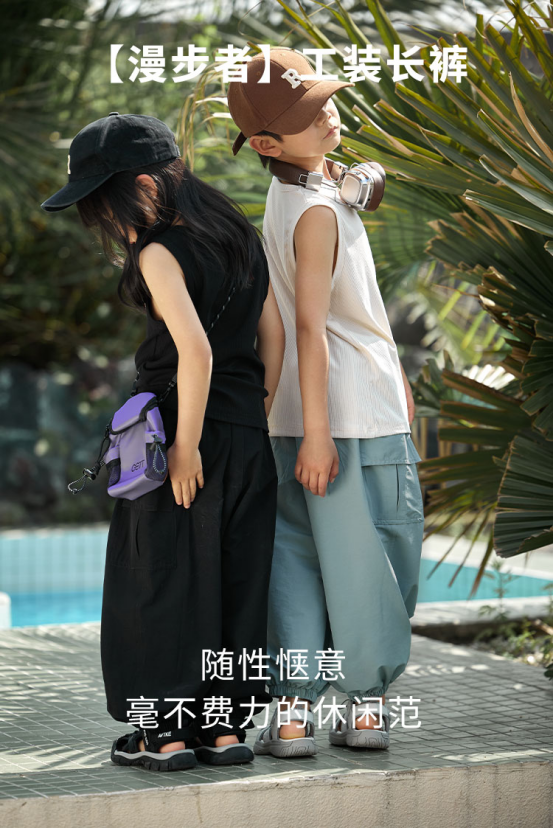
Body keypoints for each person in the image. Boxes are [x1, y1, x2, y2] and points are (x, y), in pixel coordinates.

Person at [40, 112, 285, 771]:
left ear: (145, 185)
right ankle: (224, 731)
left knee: (155, 582)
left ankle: (166, 736)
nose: (106, 222)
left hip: (178, 440)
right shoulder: (239, 234)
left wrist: (186, 446)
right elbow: (275, 337)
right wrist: (249, 415)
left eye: (105, 204)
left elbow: (194, 352)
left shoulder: (158, 251)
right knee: (236, 583)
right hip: (246, 437)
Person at [227, 47, 425, 756]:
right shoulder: (317, 211)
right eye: (307, 115)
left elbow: (307, 318)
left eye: (323, 102)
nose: (327, 116)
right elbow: (310, 328)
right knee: (376, 560)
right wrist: (319, 434)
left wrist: (300, 424)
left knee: (296, 562)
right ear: (266, 144)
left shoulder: (293, 196)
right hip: (348, 420)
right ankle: (365, 708)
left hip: (300, 416)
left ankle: (291, 716)